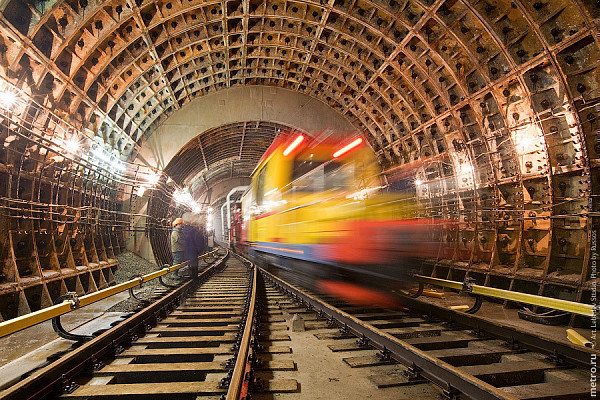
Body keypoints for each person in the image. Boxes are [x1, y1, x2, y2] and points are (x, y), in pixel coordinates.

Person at [182, 213, 207, 278]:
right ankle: (195, 278)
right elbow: (198, 241)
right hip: (193, 251)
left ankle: (191, 276)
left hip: (185, 251)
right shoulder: (194, 231)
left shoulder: (182, 230)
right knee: (194, 265)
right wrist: (200, 250)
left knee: (190, 263)